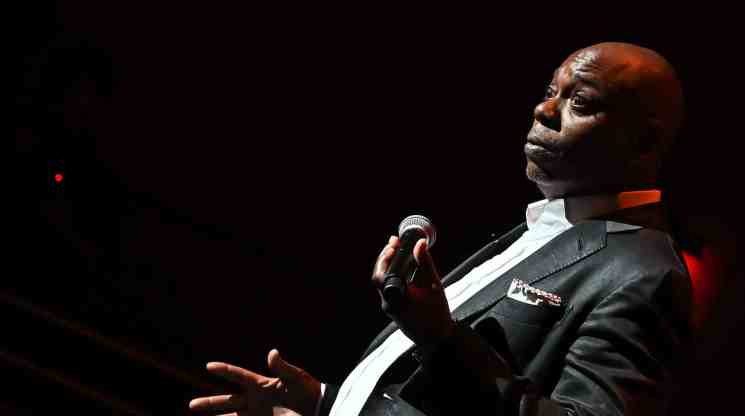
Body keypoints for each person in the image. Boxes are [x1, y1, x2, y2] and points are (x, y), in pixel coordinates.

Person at [188, 42, 692, 416]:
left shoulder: (644, 273)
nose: (543, 111)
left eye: (580, 103)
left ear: (643, 142)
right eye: (550, 93)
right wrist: (326, 403)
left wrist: (440, 338)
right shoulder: (549, 223)